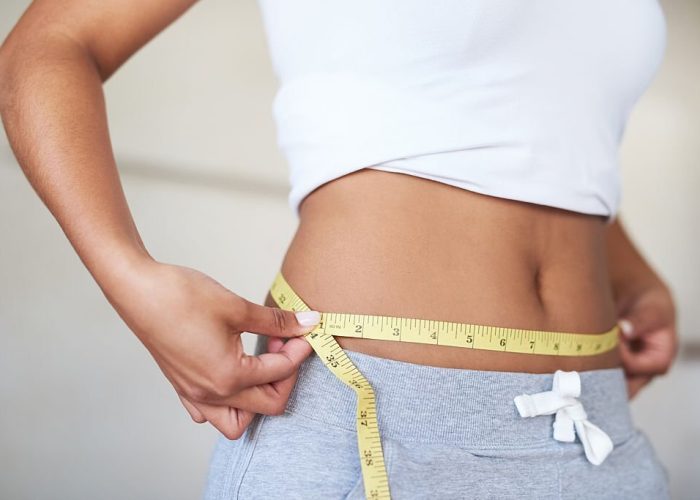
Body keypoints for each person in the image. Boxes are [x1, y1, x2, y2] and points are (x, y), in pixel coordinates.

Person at [0, 1, 678, 499]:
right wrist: (131, 279)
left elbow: (526, 125)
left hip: (596, 428)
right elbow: (53, 43)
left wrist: (628, 267)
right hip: (376, 417)